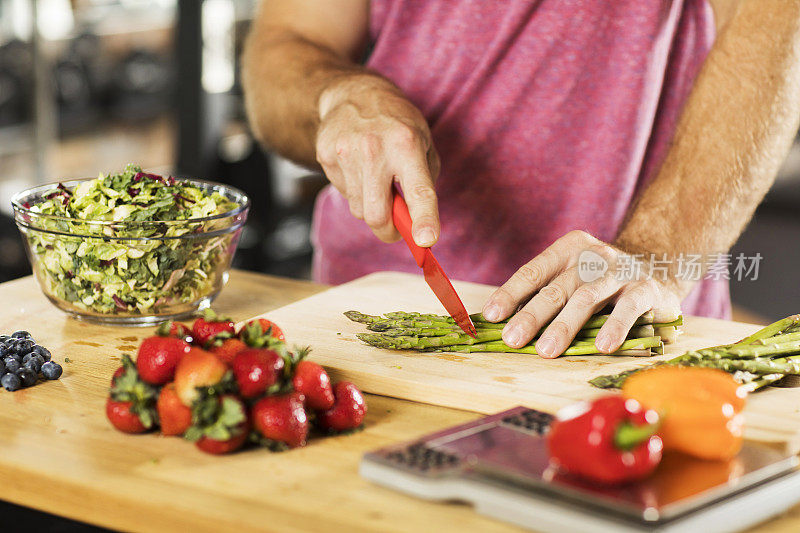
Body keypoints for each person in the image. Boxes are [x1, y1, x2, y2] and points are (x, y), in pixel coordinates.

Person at [242, 0, 800, 357]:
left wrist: (655, 255)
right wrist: (335, 93)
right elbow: (288, 40)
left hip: (626, 326)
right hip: (370, 329)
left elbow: (777, 23)